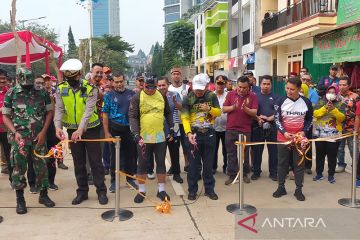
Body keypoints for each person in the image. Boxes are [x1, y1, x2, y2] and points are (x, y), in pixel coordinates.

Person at [54, 59, 108, 205]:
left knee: (96, 162)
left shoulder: (90, 88)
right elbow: (59, 109)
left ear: (79, 74)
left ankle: (101, 191)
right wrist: (58, 127)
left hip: (90, 128)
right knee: (79, 162)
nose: (71, 81)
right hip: (72, 130)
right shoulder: (61, 88)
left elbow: (88, 111)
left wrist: (80, 129)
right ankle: (82, 191)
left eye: (73, 78)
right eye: (68, 79)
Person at [2, 68, 55, 214]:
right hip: (19, 140)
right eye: (25, 84)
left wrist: (44, 131)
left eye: (30, 83)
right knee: (18, 169)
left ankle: (43, 195)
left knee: (42, 166)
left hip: (39, 138)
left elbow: (50, 111)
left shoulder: (42, 92)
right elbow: (5, 116)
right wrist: (14, 132)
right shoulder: (11, 93)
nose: (28, 86)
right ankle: (20, 200)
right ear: (18, 79)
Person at [129, 76, 174, 203]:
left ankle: (161, 190)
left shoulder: (161, 95)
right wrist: (136, 134)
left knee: (160, 163)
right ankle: (142, 190)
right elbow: (132, 116)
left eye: (153, 87)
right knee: (142, 164)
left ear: (156, 85)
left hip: (160, 136)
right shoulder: (137, 97)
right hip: (144, 137)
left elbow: (168, 112)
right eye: (147, 87)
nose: (150, 90)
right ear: (143, 85)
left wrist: (171, 128)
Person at [181, 73, 221, 200]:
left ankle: (209, 190)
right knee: (193, 165)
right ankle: (192, 190)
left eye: (201, 89)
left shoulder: (212, 96)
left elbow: (219, 112)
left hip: (209, 133)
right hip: (194, 133)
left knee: (208, 165)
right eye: (196, 88)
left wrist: (209, 109)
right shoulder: (188, 98)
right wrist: (188, 133)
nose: (198, 91)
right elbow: (185, 118)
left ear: (207, 86)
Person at [272, 78, 313, 201]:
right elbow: (277, 119)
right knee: (281, 163)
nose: (289, 91)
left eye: (292, 89)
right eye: (287, 88)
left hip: (300, 138)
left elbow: (310, 119)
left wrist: (304, 131)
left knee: (299, 164)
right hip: (283, 137)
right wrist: (284, 132)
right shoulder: (280, 101)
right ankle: (281, 187)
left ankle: (298, 189)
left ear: (299, 89)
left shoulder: (306, 102)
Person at [102, 72, 138, 192]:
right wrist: (106, 132)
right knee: (114, 157)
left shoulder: (132, 94)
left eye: (121, 81)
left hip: (129, 130)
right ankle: (114, 182)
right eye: (116, 82)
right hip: (114, 129)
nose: (119, 84)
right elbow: (105, 115)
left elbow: (136, 113)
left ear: (124, 80)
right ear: (112, 82)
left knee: (130, 156)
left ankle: (130, 179)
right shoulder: (108, 95)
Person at [223, 76, 258, 185]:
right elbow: (224, 109)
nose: (241, 89)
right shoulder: (230, 94)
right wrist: (233, 107)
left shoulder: (253, 96)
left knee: (245, 153)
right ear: (236, 85)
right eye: (239, 87)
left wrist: (245, 109)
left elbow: (254, 112)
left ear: (249, 87)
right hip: (231, 129)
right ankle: (232, 175)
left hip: (245, 130)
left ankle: (244, 174)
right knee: (231, 153)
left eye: (244, 87)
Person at [313, 85, 345, 183]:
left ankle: (331, 175)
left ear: (336, 94)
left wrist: (333, 110)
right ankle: (319, 174)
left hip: (334, 136)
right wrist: (325, 108)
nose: (331, 94)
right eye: (329, 92)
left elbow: (342, 118)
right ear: (326, 93)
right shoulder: (320, 102)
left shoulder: (340, 105)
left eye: (333, 92)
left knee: (332, 156)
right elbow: (315, 114)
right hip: (319, 135)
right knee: (319, 155)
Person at [251, 75, 278, 181]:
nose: (266, 86)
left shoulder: (277, 97)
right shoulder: (254, 96)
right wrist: (258, 118)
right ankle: (256, 171)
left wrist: (269, 118)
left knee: (273, 151)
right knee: (257, 150)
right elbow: (251, 111)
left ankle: (273, 172)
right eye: (264, 84)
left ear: (271, 85)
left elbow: (279, 113)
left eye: (268, 84)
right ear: (260, 84)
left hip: (272, 127)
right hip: (258, 126)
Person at [157, 76, 184, 184]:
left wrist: (175, 103)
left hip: (174, 129)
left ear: (168, 85)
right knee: (160, 154)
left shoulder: (174, 95)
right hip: (159, 130)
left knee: (174, 152)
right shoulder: (154, 95)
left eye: (163, 85)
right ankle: (161, 176)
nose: (161, 87)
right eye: (159, 85)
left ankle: (176, 174)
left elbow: (181, 107)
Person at [43, 75, 68, 170]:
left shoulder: (56, 91)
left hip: (56, 121)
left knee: (58, 141)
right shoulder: (40, 93)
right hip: (45, 121)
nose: (47, 82)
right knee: (47, 141)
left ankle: (60, 161)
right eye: (45, 81)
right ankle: (48, 161)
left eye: (49, 80)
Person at [168, 67, 191, 172]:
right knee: (174, 145)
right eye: (174, 74)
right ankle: (174, 165)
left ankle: (187, 164)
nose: (176, 75)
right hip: (173, 122)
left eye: (178, 74)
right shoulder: (168, 88)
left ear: (181, 75)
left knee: (186, 144)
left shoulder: (187, 88)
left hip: (185, 120)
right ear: (171, 75)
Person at [336, 77, 359, 173]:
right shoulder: (335, 97)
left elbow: (358, 113)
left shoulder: (355, 97)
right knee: (339, 148)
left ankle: (357, 166)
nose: (342, 87)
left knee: (353, 148)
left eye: (344, 85)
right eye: (340, 84)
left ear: (348, 86)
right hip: (339, 128)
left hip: (351, 128)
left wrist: (356, 129)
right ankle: (341, 164)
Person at [213, 75, 228, 174]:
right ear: (214, 84)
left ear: (225, 84)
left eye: (222, 83)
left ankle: (226, 167)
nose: (220, 85)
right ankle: (213, 167)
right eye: (218, 83)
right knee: (213, 149)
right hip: (213, 127)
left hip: (227, 128)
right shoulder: (210, 95)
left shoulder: (229, 95)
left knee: (226, 150)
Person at [0, 69, 10, 176]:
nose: (2, 81)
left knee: (7, 149)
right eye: (0, 78)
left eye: (4, 78)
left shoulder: (9, 92)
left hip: (6, 126)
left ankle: (7, 168)